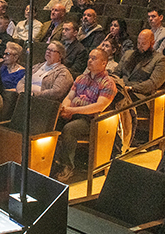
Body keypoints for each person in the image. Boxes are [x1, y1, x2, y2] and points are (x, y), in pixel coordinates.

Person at [51, 49, 118, 182]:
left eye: (94, 58)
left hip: (91, 120)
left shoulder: (108, 83)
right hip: (73, 113)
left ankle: (67, 166)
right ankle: (49, 162)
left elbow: (99, 106)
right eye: (89, 58)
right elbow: (69, 97)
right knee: (50, 121)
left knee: (70, 129)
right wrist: (65, 108)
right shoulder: (81, 78)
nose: (90, 60)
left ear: (104, 63)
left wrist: (73, 111)